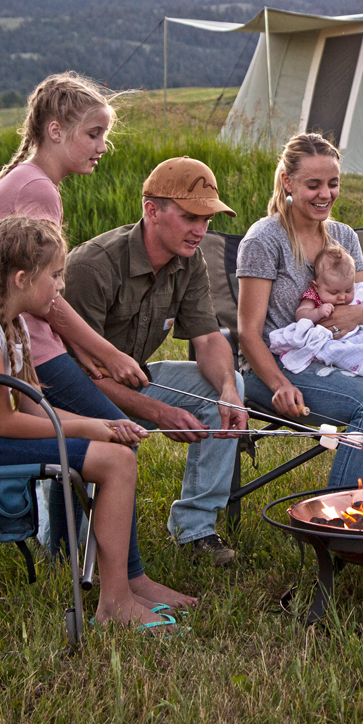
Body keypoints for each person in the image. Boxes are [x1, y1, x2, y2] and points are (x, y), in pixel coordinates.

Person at [0, 71, 196, 613]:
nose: (102, 146)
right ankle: (127, 583)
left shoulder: (24, 178)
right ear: (55, 130)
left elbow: (41, 297)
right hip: (13, 349)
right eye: (94, 134)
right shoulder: (37, 187)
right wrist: (107, 351)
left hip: (19, 339)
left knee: (96, 437)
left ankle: (74, 552)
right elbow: (41, 293)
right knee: (118, 440)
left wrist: (83, 348)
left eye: (104, 135)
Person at [0, 216, 168, 628]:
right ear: (21, 278)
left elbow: (34, 407)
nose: (60, 286)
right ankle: (115, 603)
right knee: (117, 462)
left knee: (116, 452)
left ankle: (121, 589)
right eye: (54, 276)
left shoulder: (11, 322)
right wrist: (91, 428)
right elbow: (4, 423)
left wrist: (100, 427)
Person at [62, 158, 248, 565]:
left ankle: (196, 530)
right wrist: (159, 411)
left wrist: (230, 390)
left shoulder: (190, 260)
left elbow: (208, 337)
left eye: (208, 219)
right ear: (151, 210)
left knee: (223, 383)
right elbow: (73, 378)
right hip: (70, 401)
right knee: (65, 551)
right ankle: (58, 530)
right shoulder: (92, 266)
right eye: (189, 217)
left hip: (131, 384)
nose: (201, 230)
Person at [236, 132, 363, 488]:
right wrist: (279, 384)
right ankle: (338, 514)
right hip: (278, 368)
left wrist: (358, 316)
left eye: (333, 183)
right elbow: (247, 332)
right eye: (314, 184)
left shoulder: (343, 237)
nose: (325, 194)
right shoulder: (264, 240)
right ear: (288, 182)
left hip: (343, 354)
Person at [266, 243, 363, 378]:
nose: (342, 297)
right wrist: (317, 313)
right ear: (317, 286)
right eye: (334, 292)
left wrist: (360, 312)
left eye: (348, 290)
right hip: (328, 341)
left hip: (354, 338)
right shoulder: (313, 296)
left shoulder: (358, 291)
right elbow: (301, 315)